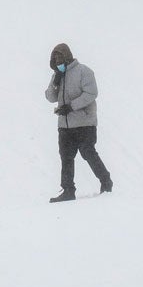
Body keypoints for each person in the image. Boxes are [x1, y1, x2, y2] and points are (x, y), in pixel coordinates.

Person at [44, 42, 112, 203]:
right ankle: (68, 190)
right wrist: (55, 82)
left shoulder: (84, 71)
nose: (58, 62)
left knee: (87, 152)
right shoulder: (56, 75)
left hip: (84, 123)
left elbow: (91, 93)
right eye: (55, 59)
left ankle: (106, 182)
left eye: (60, 57)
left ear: (67, 56)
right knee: (66, 157)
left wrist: (71, 106)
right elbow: (50, 97)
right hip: (65, 126)